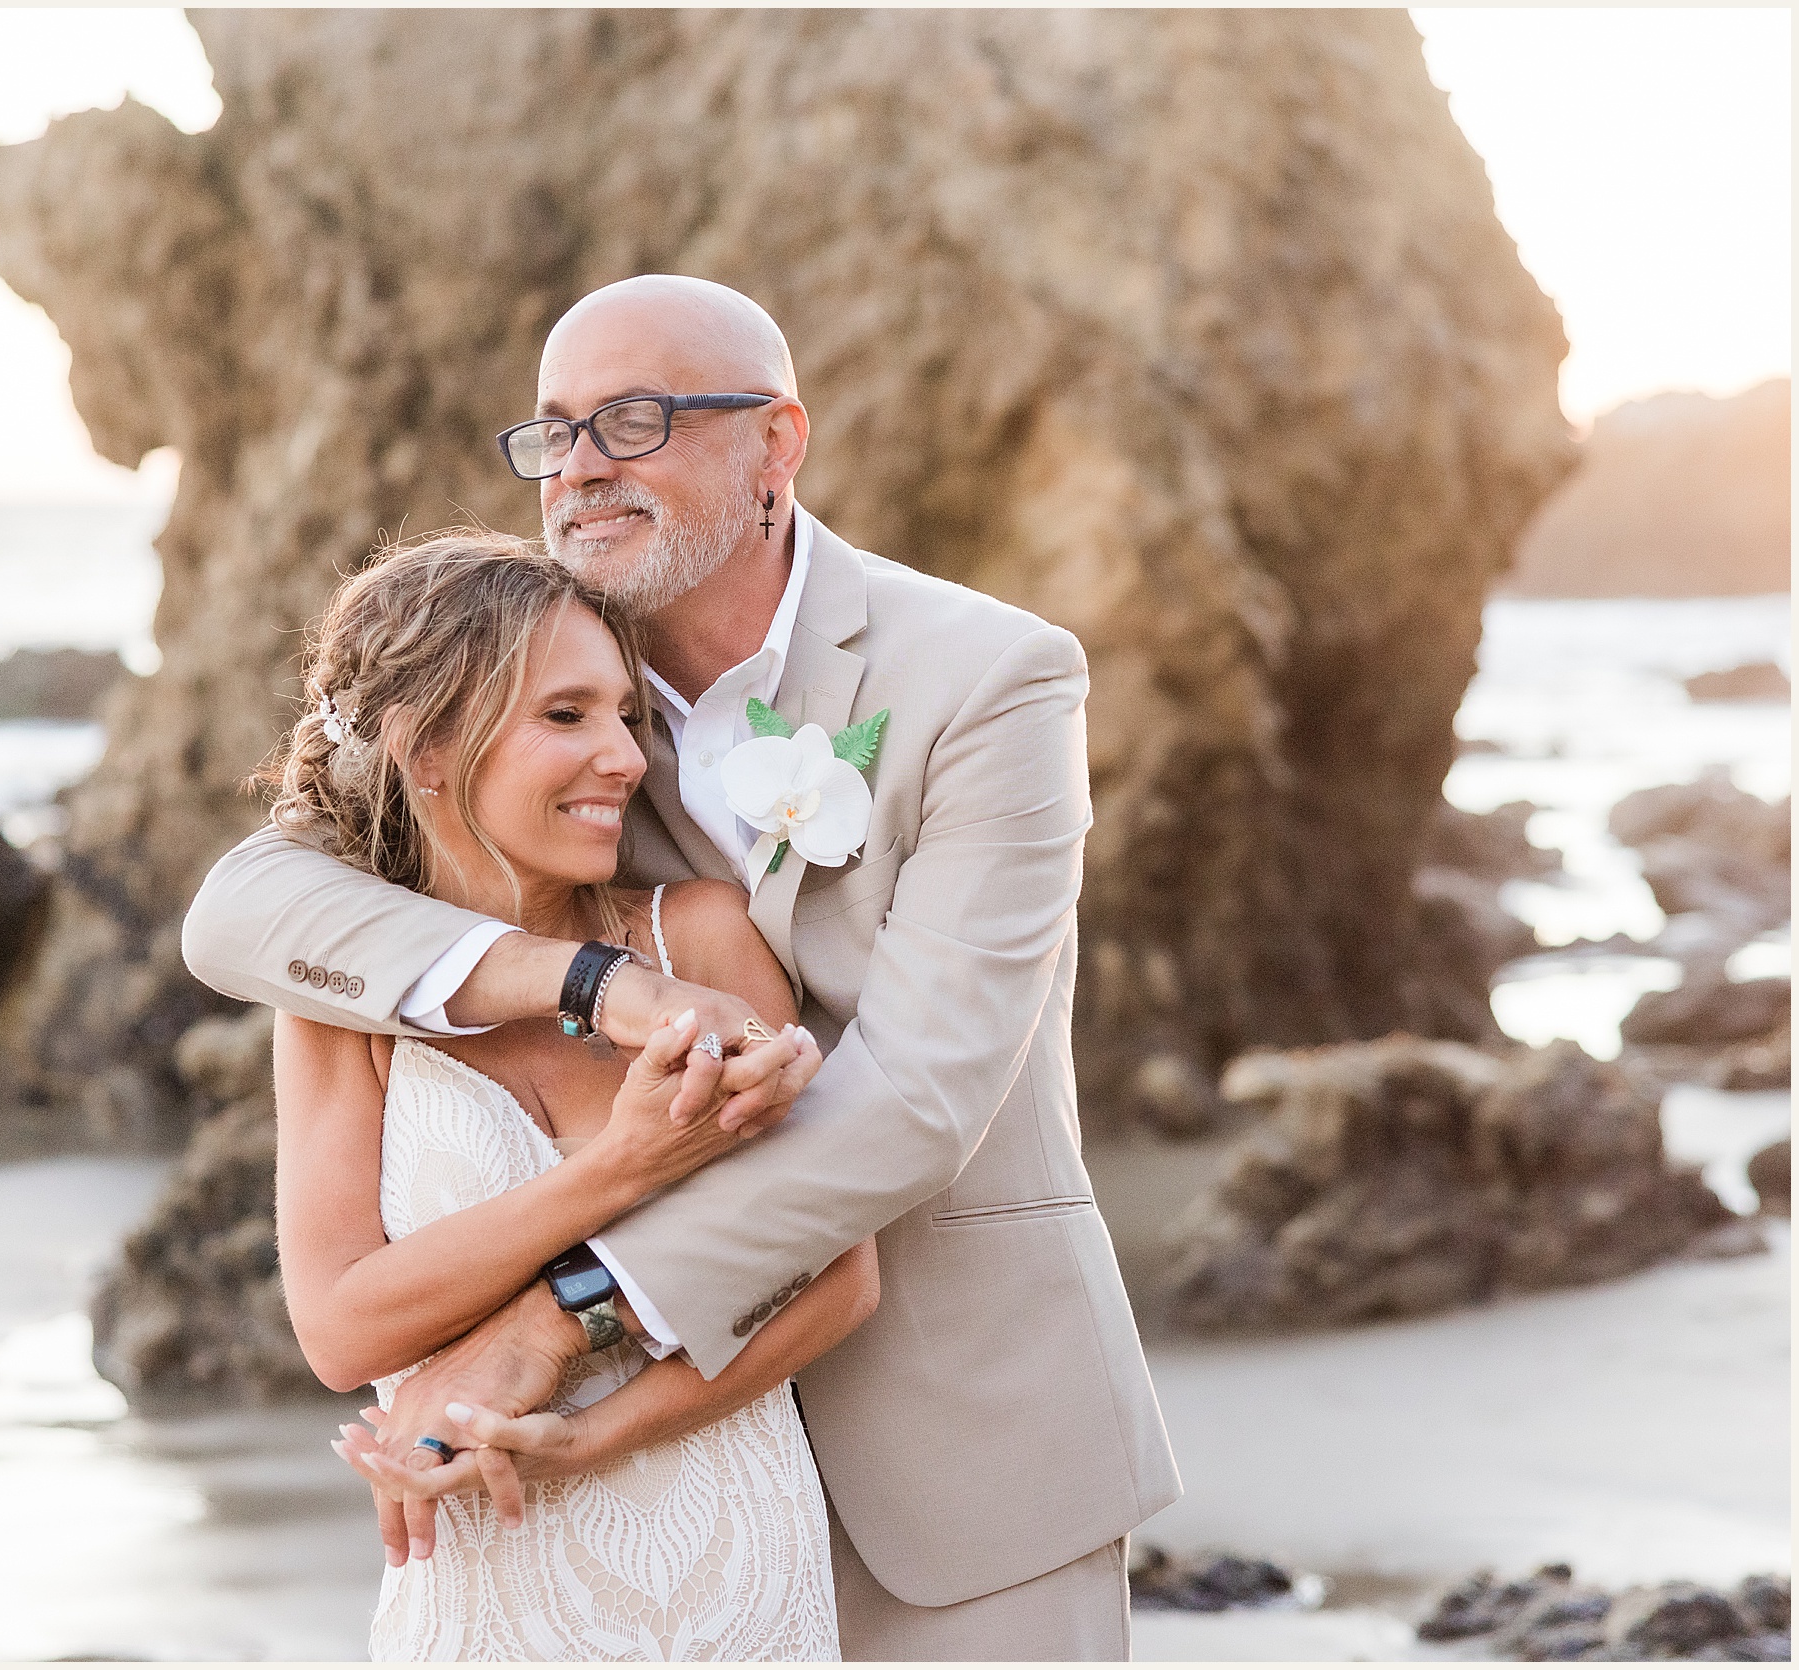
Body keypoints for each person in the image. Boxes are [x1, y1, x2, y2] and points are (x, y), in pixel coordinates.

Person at [184, 274, 1181, 1659]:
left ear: (776, 446)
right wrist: (583, 984)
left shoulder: (989, 679)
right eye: (553, 432)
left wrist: (561, 1315)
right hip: (637, 1499)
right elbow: (243, 911)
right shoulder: (533, 677)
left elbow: (919, 1101)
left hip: (964, 1435)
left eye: (634, 420)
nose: (581, 465)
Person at [263, 531, 865, 1659]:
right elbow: (343, 1328)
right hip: (488, 1577)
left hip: (734, 1552)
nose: (626, 757)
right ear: (428, 746)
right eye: (565, 715)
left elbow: (837, 1276)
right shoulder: (336, 1003)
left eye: (625, 716)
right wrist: (620, 1166)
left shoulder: (699, 933)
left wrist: (589, 1438)